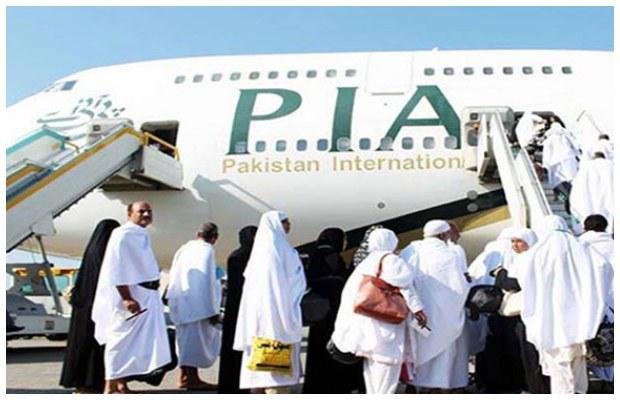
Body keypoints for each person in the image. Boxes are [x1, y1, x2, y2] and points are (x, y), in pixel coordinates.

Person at [515, 215, 608, 393]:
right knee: (578, 368)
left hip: (549, 324)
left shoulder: (536, 253)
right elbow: (604, 268)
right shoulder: (582, 247)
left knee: (559, 372)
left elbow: (523, 279)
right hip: (580, 323)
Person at [332, 228, 427, 394]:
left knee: (371, 372)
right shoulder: (391, 260)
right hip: (386, 321)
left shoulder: (366, 262)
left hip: (366, 323)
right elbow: (406, 287)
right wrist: (418, 310)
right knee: (387, 370)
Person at [91, 201, 171, 394]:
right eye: (141, 211)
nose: (146, 214)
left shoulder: (141, 234)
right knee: (119, 340)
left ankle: (121, 383)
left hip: (148, 295)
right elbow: (116, 269)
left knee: (135, 343)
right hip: (132, 296)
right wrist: (126, 297)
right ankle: (110, 384)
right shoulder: (122, 235)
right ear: (129, 214)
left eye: (149, 211)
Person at [233, 211, 306, 394]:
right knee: (275, 376)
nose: (289, 225)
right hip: (279, 314)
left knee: (258, 369)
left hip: (258, 318)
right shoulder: (281, 251)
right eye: (286, 222)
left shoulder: (260, 252)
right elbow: (285, 285)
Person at [400, 220, 470, 393]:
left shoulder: (411, 249)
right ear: (443, 234)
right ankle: (440, 386)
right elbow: (460, 285)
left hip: (419, 312)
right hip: (447, 315)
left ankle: (419, 385)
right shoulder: (452, 252)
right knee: (445, 351)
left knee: (420, 348)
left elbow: (404, 280)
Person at [479, 228, 549, 394]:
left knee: (530, 354)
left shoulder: (533, 259)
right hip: (517, 315)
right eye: (513, 241)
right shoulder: (517, 260)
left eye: (519, 241)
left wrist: (501, 274)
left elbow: (515, 284)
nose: (515, 245)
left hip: (529, 314)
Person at [60, 219, 120, 393]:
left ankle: (82, 382)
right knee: (97, 346)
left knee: (81, 346)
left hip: (83, 307)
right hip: (98, 307)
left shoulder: (91, 254)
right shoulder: (106, 255)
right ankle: (93, 382)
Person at [303, 228, 364, 393]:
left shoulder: (314, 256)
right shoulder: (333, 257)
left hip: (317, 314)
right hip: (331, 313)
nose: (346, 243)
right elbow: (339, 284)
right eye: (344, 239)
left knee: (316, 353)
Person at [166, 222, 221, 390]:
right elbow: (206, 281)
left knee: (185, 342)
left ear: (198, 234)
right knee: (195, 343)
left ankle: (184, 376)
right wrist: (211, 309)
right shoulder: (207, 250)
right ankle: (191, 378)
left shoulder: (184, 249)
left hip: (181, 303)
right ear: (215, 237)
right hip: (199, 307)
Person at [218, 226, 257, 394]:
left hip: (234, 308)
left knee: (232, 348)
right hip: (247, 308)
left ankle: (229, 386)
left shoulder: (235, 256)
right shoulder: (255, 257)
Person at [579, 215, 614, 384]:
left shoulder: (580, 247)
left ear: (584, 228)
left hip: (594, 304)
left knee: (598, 346)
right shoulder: (614, 244)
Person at [569, 148, 614, 232]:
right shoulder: (612, 165)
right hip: (610, 200)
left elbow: (577, 188)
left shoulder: (585, 167)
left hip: (589, 204)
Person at [541, 122, 579, 208]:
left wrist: (545, 165)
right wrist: (577, 157)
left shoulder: (549, 140)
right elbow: (576, 147)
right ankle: (572, 198)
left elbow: (546, 154)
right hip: (569, 160)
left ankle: (562, 198)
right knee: (571, 180)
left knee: (555, 183)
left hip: (554, 164)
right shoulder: (566, 137)